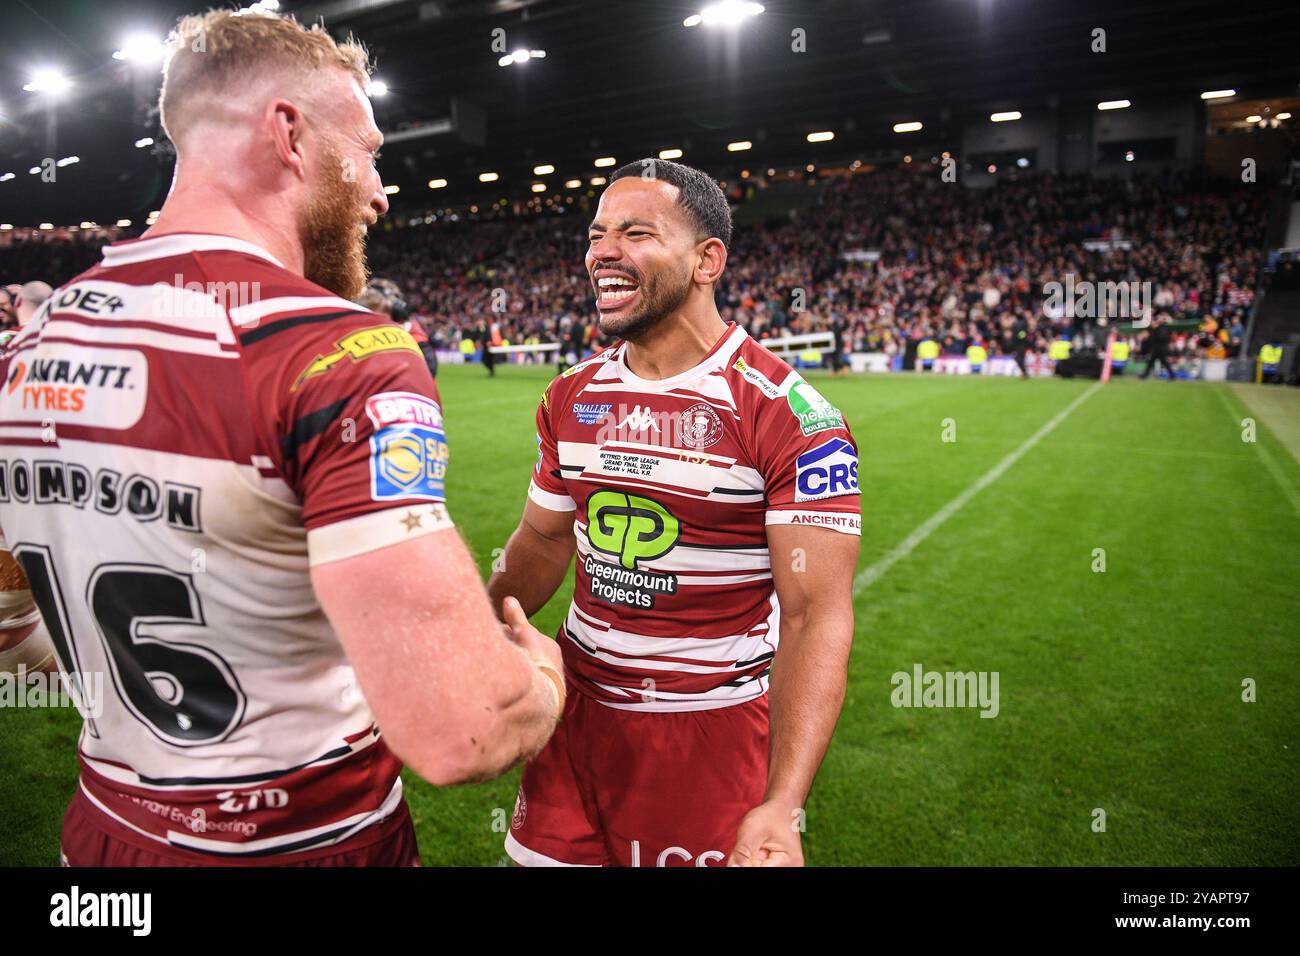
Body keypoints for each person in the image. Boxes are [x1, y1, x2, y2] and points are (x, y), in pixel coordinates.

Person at [0, 8, 561, 867]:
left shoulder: (27, 349)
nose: (380, 191)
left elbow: (8, 624)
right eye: (369, 151)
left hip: (105, 848)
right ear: (288, 134)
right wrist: (540, 685)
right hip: (308, 845)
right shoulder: (338, 354)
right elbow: (463, 732)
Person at [488, 159, 861, 867]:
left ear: (706, 260)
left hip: (706, 734)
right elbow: (539, 541)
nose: (602, 251)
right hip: (574, 713)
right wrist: (467, 639)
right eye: (598, 233)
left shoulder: (792, 416)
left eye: (635, 232)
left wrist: (783, 804)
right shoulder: (572, 395)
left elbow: (816, 616)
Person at [1140, 315, 1178, 380]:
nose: (1152, 323)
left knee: (1163, 363)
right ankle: (1144, 375)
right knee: (1152, 362)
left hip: (1161, 349)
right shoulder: (1154, 329)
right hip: (1156, 349)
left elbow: (1163, 338)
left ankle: (1172, 376)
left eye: (1153, 322)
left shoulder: (1161, 329)